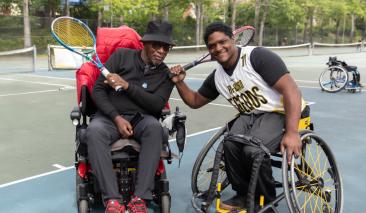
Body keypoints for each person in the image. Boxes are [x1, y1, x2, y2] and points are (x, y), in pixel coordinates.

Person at [170, 22, 305, 211]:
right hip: (251, 115)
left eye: (222, 42)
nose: (218, 48)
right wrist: (179, 83)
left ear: (233, 39)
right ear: (208, 49)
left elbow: (291, 90)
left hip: (280, 111)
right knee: (230, 144)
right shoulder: (217, 77)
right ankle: (243, 194)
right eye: (212, 46)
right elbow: (194, 100)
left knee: (253, 151)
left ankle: (266, 201)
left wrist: (292, 133)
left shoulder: (257, 56)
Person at [86, 20, 175, 213]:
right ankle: (112, 200)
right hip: (110, 118)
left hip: (142, 120)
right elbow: (98, 90)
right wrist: (116, 117)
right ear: (144, 43)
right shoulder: (121, 57)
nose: (161, 51)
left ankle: (140, 198)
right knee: (93, 131)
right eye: (156, 45)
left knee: (155, 128)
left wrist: (126, 85)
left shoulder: (166, 74)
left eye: (165, 47)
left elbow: (156, 105)